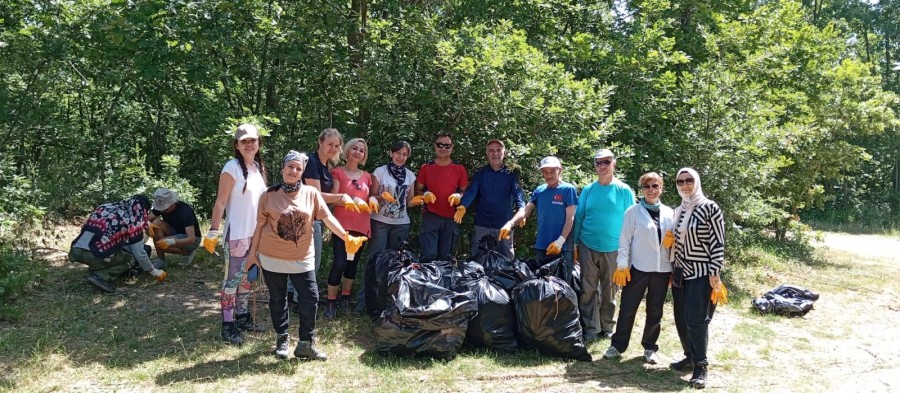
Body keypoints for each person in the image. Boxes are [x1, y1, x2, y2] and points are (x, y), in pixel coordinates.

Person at [245, 150, 366, 361]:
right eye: (290, 166)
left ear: (302, 172)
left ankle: (305, 344)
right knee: (277, 299)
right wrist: (251, 255)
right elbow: (259, 226)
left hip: (302, 258)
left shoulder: (311, 193)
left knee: (310, 298)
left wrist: (346, 237)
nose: (294, 171)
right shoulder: (268, 195)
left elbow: (328, 219)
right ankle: (282, 338)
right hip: (271, 257)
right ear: (282, 168)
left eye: (298, 168)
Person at [602, 172, 674, 365]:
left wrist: (673, 258)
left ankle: (650, 347)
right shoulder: (633, 212)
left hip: (662, 269)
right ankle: (617, 346)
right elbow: (624, 240)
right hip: (638, 268)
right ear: (641, 189)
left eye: (655, 186)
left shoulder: (670, 212)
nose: (651, 190)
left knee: (655, 310)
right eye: (647, 186)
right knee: (628, 307)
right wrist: (622, 265)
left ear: (661, 188)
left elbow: (676, 242)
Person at [207, 124, 269, 346]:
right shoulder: (231, 167)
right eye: (244, 141)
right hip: (237, 235)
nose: (249, 144)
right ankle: (227, 325)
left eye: (253, 140)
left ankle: (242, 318)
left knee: (246, 280)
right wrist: (213, 231)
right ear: (237, 145)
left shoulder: (258, 169)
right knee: (231, 281)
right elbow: (221, 201)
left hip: (255, 236)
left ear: (259, 143)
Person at [669, 168, 725, 389]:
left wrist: (715, 271)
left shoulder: (710, 208)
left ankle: (701, 366)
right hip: (679, 271)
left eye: (689, 180)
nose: (685, 184)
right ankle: (689, 356)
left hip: (701, 272)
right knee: (681, 317)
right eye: (680, 181)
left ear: (697, 181)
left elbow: (717, 242)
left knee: (696, 319)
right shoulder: (678, 210)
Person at [572, 149, 636, 343]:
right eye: (598, 163)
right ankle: (591, 327)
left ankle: (607, 327)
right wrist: (575, 244)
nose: (602, 166)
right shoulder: (589, 190)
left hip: (614, 248)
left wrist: (631, 249)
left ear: (614, 164)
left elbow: (633, 220)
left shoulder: (624, 190)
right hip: (587, 245)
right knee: (588, 288)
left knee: (610, 289)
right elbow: (579, 217)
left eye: (606, 162)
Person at [324, 138, 377, 318]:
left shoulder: (367, 177)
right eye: (354, 148)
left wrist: (374, 200)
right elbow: (333, 197)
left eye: (361, 150)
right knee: (339, 263)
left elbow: (371, 199)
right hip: (341, 226)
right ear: (347, 151)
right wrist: (349, 199)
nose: (357, 152)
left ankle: (345, 298)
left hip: (361, 226)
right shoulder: (338, 172)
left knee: (352, 264)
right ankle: (330, 300)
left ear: (364, 155)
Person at [68, 195, 167, 293]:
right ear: (144, 210)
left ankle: (95, 267)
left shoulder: (105, 207)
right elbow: (139, 253)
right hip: (94, 254)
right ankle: (100, 275)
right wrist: (154, 271)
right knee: (130, 259)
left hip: (76, 249)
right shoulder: (134, 219)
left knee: (113, 252)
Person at [501, 156, 577, 277]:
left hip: (562, 246)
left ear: (560, 170)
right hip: (543, 245)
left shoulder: (568, 189)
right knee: (544, 285)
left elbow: (570, 218)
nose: (549, 175)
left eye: (552, 171)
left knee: (563, 287)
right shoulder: (540, 190)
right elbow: (525, 211)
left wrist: (560, 242)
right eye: (545, 172)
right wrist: (510, 224)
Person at [455, 139, 526, 260]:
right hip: (482, 224)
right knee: (478, 261)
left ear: (504, 153)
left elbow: (518, 193)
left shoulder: (511, 173)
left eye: (498, 150)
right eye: (491, 151)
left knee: (507, 261)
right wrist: (463, 206)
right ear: (487, 154)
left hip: (504, 225)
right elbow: (472, 191)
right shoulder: (480, 173)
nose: (495, 153)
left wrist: (522, 210)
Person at [413, 132, 468, 261]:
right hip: (431, 216)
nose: (443, 148)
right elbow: (418, 189)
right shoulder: (426, 168)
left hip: (451, 218)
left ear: (452, 148)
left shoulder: (459, 169)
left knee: (446, 256)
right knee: (428, 255)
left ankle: (443, 281)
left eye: (447, 146)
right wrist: (424, 194)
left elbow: (466, 192)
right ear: (435, 146)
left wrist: (459, 196)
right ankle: (427, 281)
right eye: (440, 145)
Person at [368, 141, 416, 255]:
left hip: (401, 223)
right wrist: (382, 197)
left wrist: (419, 200)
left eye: (404, 154)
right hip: (379, 221)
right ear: (391, 153)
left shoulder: (410, 175)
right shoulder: (380, 171)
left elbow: (409, 202)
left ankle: (389, 274)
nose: (400, 157)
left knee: (396, 258)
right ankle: (373, 274)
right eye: (398, 153)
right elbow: (372, 196)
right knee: (375, 255)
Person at [149, 187, 201, 266]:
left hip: (191, 239)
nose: (162, 211)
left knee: (161, 244)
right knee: (155, 223)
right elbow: (148, 219)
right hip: (175, 232)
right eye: (161, 208)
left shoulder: (185, 211)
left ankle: (187, 252)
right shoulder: (162, 208)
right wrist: (147, 223)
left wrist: (171, 242)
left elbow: (192, 239)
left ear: (172, 203)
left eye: (165, 209)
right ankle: (161, 260)